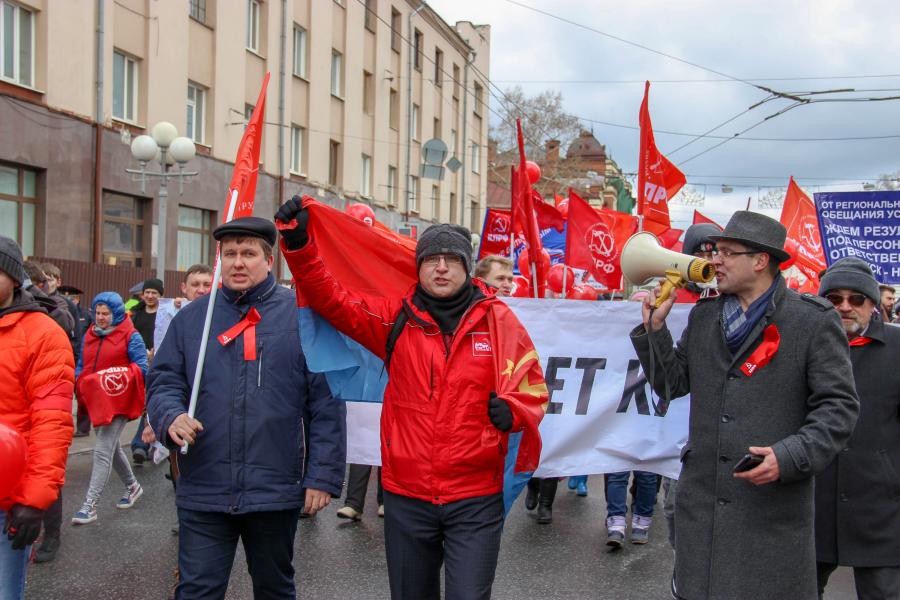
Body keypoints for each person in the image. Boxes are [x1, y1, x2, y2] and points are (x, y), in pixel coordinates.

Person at [276, 197, 547, 600]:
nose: (441, 267)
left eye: (451, 259)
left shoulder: (499, 320)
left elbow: (533, 387)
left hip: (475, 497)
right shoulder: (395, 319)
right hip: (407, 496)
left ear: (467, 268)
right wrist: (298, 246)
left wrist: (513, 410)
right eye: (431, 259)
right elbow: (331, 299)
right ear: (418, 267)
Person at [630, 211, 859, 599]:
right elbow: (672, 384)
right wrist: (655, 330)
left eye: (726, 253)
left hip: (770, 511)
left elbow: (839, 408)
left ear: (760, 260)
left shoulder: (811, 321)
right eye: (715, 251)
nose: (713, 261)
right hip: (702, 508)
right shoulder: (705, 317)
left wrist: (789, 457)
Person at [147, 217, 346, 599]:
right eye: (231, 253)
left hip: (274, 486)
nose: (239, 262)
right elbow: (164, 380)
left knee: (274, 588)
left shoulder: (300, 318)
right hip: (204, 483)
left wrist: (322, 476)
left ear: (269, 261)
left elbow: (326, 403)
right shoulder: (194, 319)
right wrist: (170, 415)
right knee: (197, 590)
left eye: (249, 253)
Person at [814, 258, 900, 599]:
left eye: (856, 299)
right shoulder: (799, 345)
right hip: (813, 502)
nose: (845, 307)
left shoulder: (897, 348)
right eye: (834, 299)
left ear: (873, 304)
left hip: (880, 507)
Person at [0, 236, 74, 600]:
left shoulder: (44, 335)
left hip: (8, 501)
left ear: (14, 277)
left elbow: (52, 423)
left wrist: (34, 500)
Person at [70, 292, 147, 525]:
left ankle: (89, 506)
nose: (101, 318)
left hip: (119, 400)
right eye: (98, 313)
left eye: (106, 314)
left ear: (117, 313)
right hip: (96, 400)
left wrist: (112, 377)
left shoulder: (131, 336)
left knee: (102, 450)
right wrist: (79, 382)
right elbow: (82, 364)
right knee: (112, 448)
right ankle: (133, 486)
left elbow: (142, 368)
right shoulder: (90, 334)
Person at [130, 278, 162, 465]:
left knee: (150, 403)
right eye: (147, 292)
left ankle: (139, 444)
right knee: (142, 404)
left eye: (154, 293)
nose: (150, 296)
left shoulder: (165, 313)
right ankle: (147, 441)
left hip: (157, 363)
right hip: (137, 364)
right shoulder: (135, 313)